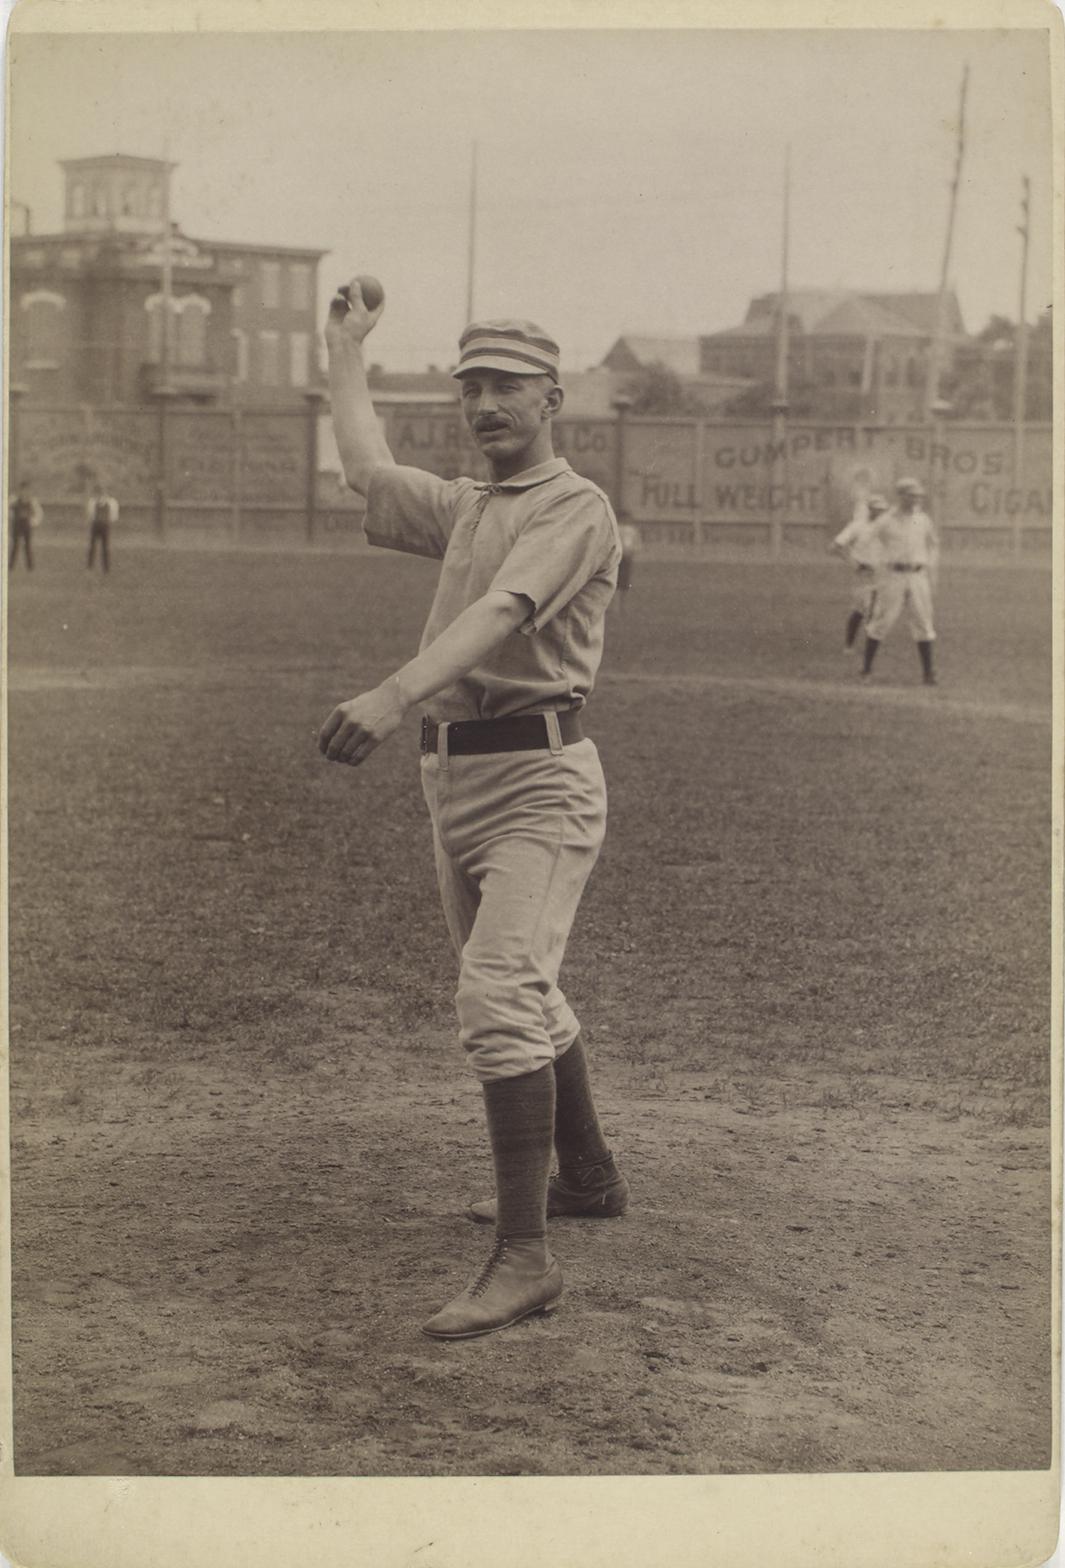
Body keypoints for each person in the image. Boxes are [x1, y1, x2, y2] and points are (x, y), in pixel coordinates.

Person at [319, 282, 629, 1341]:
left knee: (496, 990)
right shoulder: (470, 505)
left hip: (539, 778)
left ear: (552, 397)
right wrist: (343, 349)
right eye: (472, 385)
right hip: (454, 780)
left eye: (507, 384)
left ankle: (525, 1256)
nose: (486, 401)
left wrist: (393, 689)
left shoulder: (576, 507)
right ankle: (583, 1172)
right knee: (520, 985)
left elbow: (503, 614)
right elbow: (364, 469)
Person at [860, 477, 939, 686]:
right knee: (882, 621)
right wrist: (874, 565)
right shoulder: (886, 520)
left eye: (917, 495)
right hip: (893, 575)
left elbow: (933, 544)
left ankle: (928, 674)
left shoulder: (922, 519)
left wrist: (932, 570)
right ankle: (866, 670)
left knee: (923, 622)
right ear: (901, 495)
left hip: (917, 575)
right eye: (911, 494)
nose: (916, 498)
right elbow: (865, 541)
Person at [830, 491, 889, 651]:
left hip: (882, 571)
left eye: (883, 509)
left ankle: (871, 644)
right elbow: (835, 547)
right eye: (877, 509)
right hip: (863, 572)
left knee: (878, 608)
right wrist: (854, 563)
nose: (881, 512)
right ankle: (849, 645)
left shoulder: (886, 527)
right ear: (870, 509)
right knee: (861, 608)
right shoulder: (857, 525)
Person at [8, 478, 42, 571]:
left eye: (27, 489)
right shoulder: (13, 500)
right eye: (23, 489)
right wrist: (11, 517)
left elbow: (39, 513)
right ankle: (10, 566)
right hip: (17, 525)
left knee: (27, 546)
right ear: (20, 489)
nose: (24, 491)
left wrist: (33, 522)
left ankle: (30, 567)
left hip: (26, 526)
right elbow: (7, 510)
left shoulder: (32, 501)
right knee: (15, 546)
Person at [86, 481, 119, 573]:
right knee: (92, 546)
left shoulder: (112, 502)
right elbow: (91, 515)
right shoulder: (92, 502)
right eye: (100, 491)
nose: (102, 493)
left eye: (103, 491)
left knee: (105, 547)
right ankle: (90, 566)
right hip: (95, 526)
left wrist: (107, 522)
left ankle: (106, 568)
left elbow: (114, 516)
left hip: (105, 526)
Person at [614, 513, 642, 610]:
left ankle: (621, 606)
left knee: (623, 581)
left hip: (625, 556)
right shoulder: (618, 528)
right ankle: (618, 606)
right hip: (620, 556)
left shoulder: (631, 530)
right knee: (620, 581)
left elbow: (636, 544)